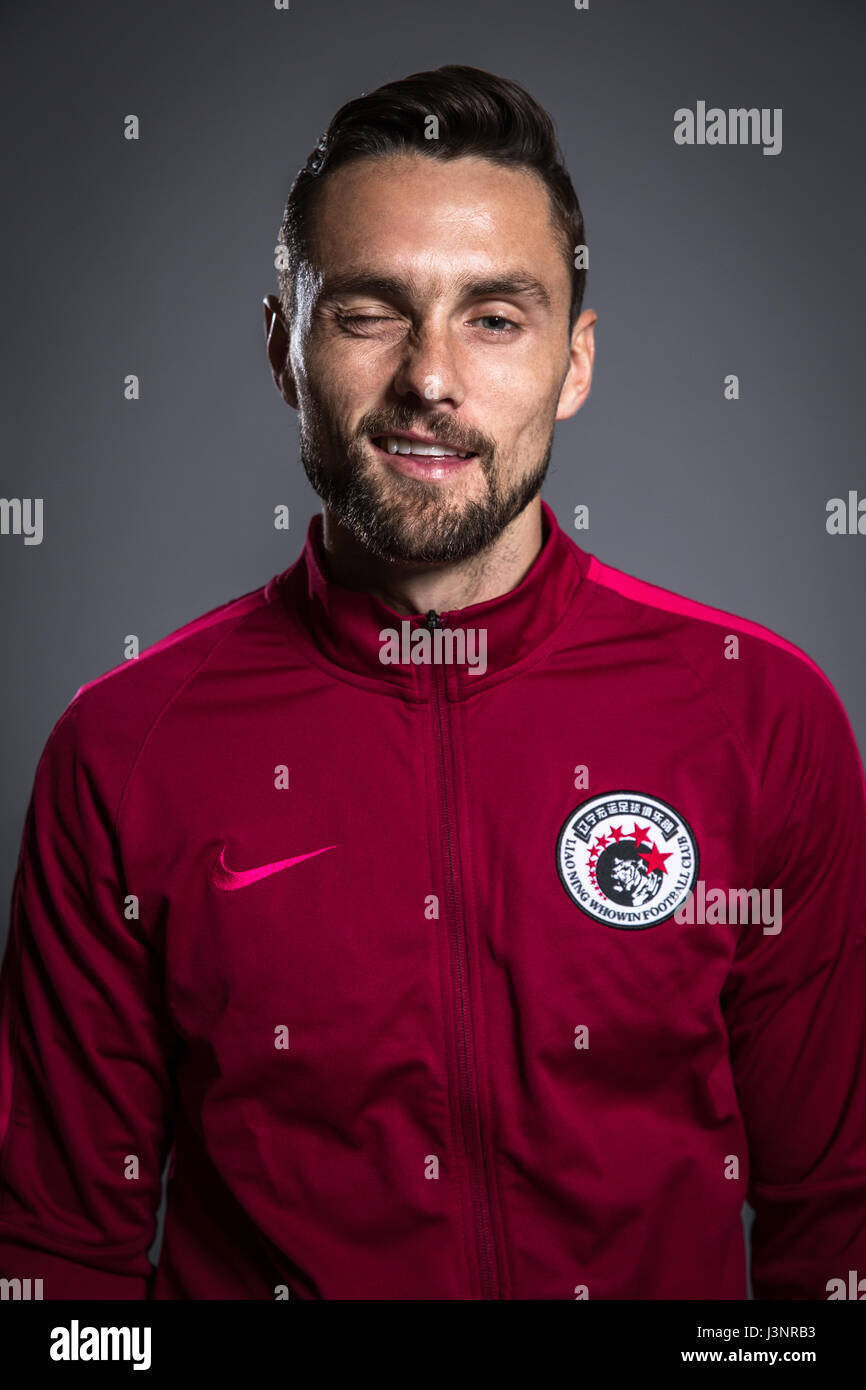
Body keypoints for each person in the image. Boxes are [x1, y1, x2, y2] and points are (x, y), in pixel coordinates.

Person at [0, 64, 864, 1301]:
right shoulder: (122, 749)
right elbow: (54, 1257)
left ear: (573, 361)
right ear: (284, 350)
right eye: (369, 313)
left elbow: (834, 1217)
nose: (430, 379)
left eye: (494, 317)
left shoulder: (761, 718)